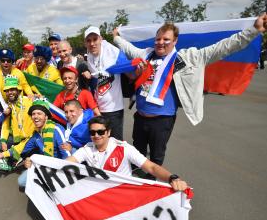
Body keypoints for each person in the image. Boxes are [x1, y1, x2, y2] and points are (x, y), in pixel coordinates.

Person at [112, 13, 267, 167]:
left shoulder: (188, 58)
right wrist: (116, 37)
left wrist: (254, 30)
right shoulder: (146, 54)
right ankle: (137, 183)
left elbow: (223, 47)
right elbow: (128, 48)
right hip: (140, 117)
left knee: (156, 158)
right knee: (137, 155)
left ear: (175, 41)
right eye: (158, 39)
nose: (160, 42)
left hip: (162, 120)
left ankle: (152, 185)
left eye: (166, 39)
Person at [66, 116, 188, 192]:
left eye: (100, 131)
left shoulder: (124, 148)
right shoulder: (87, 149)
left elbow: (151, 167)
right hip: (100, 195)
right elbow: (67, 162)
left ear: (108, 132)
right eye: (92, 132)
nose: (96, 135)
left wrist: (172, 178)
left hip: (123, 194)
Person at [0, 98, 69, 189]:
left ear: (46, 116)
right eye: (33, 114)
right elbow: (22, 147)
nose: (35, 116)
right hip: (45, 165)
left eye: (39, 113)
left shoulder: (56, 130)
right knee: (21, 181)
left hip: (60, 167)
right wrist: (3, 154)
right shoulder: (36, 135)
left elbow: (67, 156)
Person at [84, 26, 125, 140]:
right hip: (99, 109)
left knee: (115, 143)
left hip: (114, 109)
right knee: (101, 143)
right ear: (85, 43)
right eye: (89, 40)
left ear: (100, 39)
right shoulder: (90, 57)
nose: (92, 43)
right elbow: (95, 80)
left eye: (95, 39)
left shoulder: (112, 52)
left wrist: (116, 37)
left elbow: (127, 66)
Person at [0, 76, 35, 169]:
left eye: (12, 89)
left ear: (18, 90)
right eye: (7, 90)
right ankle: (18, 156)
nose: (10, 92)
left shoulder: (30, 101)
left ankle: (22, 156)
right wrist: (3, 141)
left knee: (28, 161)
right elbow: (5, 125)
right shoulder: (9, 107)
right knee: (2, 144)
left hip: (32, 138)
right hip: (18, 139)